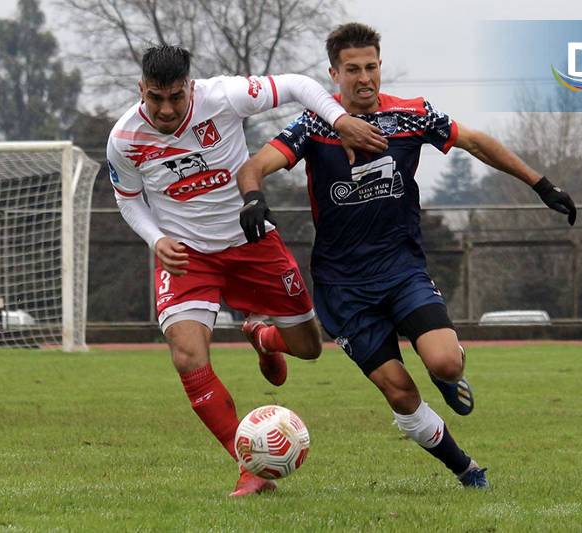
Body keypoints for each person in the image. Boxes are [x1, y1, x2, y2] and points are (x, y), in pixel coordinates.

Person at [236, 23, 577, 489]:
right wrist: (254, 197)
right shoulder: (316, 125)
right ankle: (466, 469)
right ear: (333, 73)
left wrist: (542, 185)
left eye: (371, 67)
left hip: (401, 271)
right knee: (399, 388)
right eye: (352, 69)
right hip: (344, 287)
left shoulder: (411, 116)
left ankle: (446, 376)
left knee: (446, 364)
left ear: (380, 66)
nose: (364, 78)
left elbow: (475, 141)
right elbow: (254, 166)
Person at [106, 44, 387, 497]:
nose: (165, 108)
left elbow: (297, 84)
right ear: (141, 89)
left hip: (250, 242)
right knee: (186, 356)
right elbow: (128, 198)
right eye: (155, 97)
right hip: (187, 255)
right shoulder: (124, 139)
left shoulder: (223, 97)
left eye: (175, 97)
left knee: (310, 348)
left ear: (190, 87)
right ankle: (249, 466)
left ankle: (264, 336)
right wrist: (156, 239)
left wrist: (340, 120)